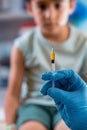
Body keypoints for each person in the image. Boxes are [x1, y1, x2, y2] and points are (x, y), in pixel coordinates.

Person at [5, 0, 87, 130]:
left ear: (71, 6)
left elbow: (84, 91)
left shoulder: (84, 42)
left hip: (68, 104)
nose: (49, 15)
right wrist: (9, 125)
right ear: (30, 8)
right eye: (42, 6)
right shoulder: (22, 45)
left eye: (58, 5)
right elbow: (13, 93)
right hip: (34, 106)